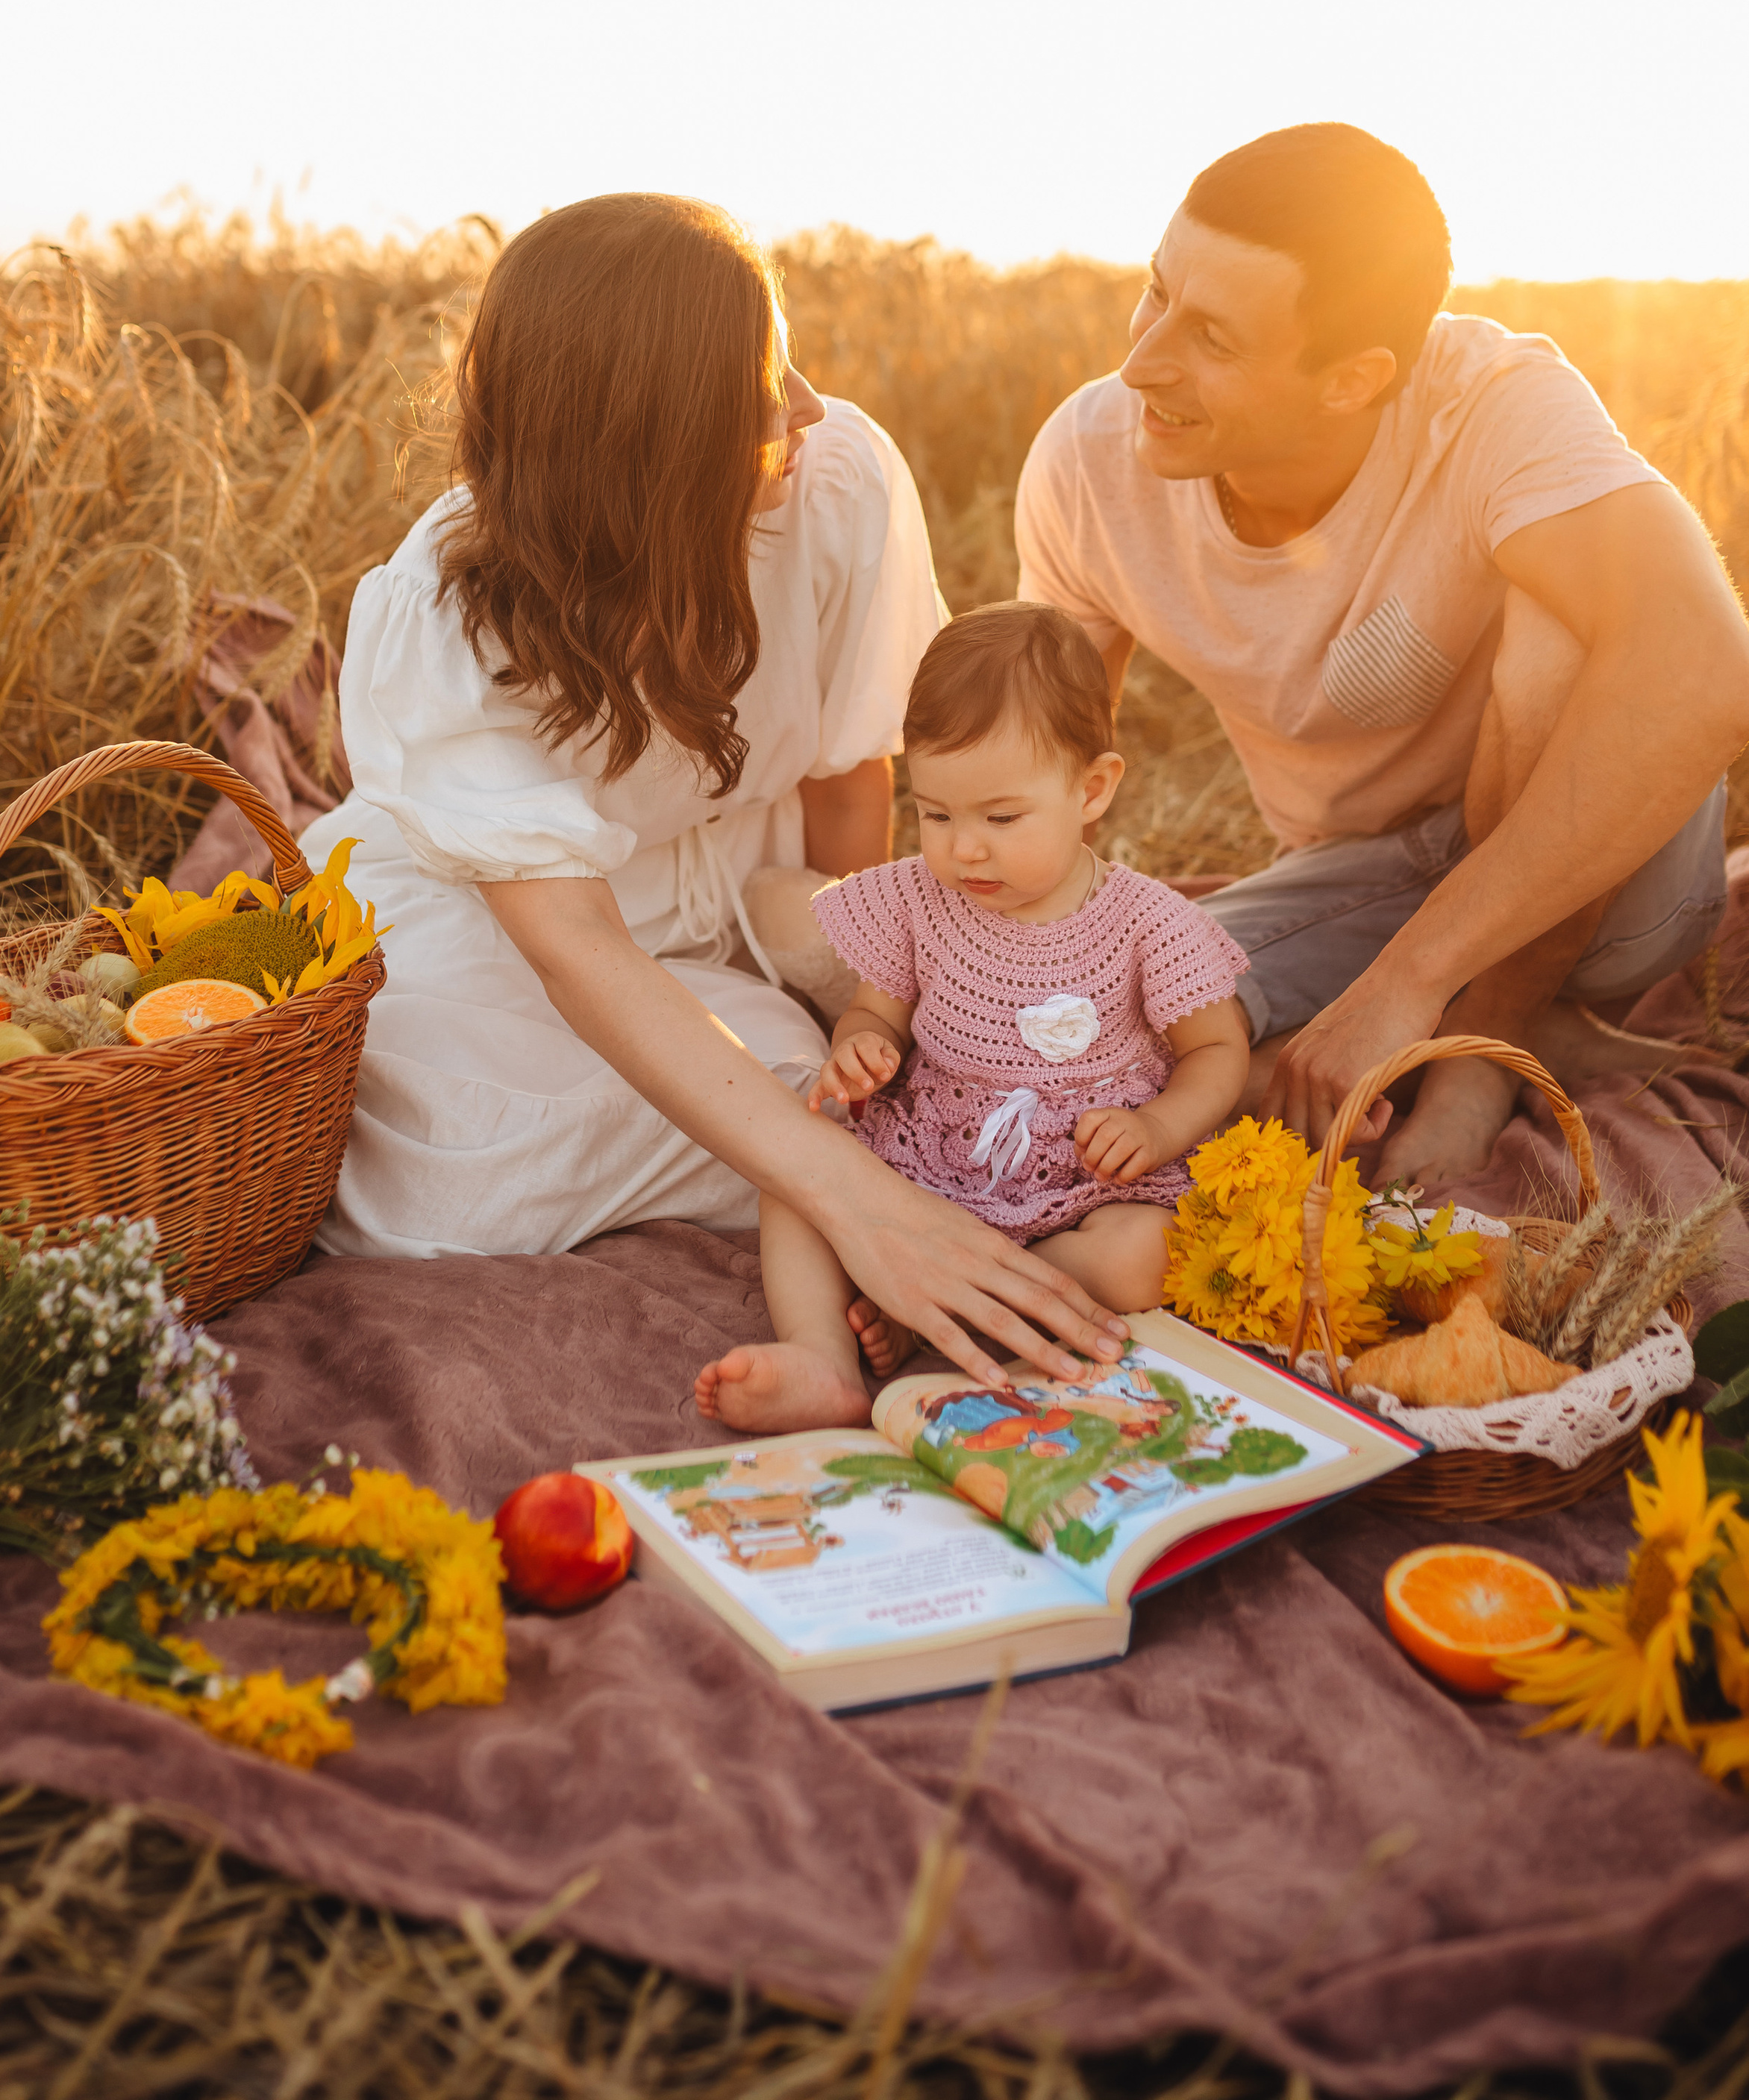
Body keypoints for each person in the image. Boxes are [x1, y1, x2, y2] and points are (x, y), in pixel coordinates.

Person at [311, 194, 1128, 1388]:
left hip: (755, 891)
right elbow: (577, 950)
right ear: (653, 443)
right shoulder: (445, 608)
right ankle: (810, 1157)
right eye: (760, 383)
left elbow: (856, 766)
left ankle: (797, 1125)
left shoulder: (836, 480)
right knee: (428, 1168)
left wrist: (871, 1003)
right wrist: (862, 1199)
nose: (803, 404)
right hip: (508, 927)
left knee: (860, 1074)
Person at [1015, 122, 1749, 1181]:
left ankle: (1484, 1049)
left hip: (1607, 888)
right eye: (1155, 291)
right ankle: (1517, 1040)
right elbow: (1040, 761)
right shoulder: (1089, 466)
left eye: (1211, 339)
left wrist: (1414, 980)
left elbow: (1706, 667)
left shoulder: (1495, 405)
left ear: (1354, 379)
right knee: (1074, 1036)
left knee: (1569, 615)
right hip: (1359, 879)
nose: (1141, 362)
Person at [695, 604, 1251, 1430]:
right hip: (931, 1160)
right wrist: (860, 1052)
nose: (964, 850)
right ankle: (821, 1351)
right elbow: (872, 1016)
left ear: (1091, 790)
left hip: (1080, 1183)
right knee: (792, 1170)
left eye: (999, 818)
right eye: (937, 814)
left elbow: (1217, 1049)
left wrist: (1160, 1129)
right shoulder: (919, 900)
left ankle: (965, 1306)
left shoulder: (1147, 923)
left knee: (1145, 1256)